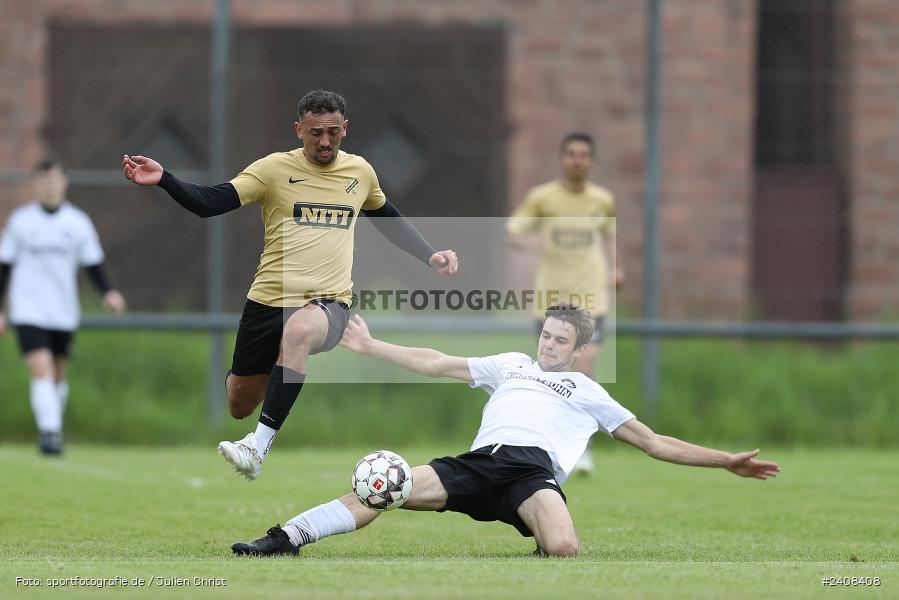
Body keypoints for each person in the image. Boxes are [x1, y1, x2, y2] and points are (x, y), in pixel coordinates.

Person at [231, 304, 780, 558]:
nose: (547, 347)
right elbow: (437, 361)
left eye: (560, 342)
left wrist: (725, 460)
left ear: (581, 351)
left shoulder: (591, 393)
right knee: (385, 485)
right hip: (481, 462)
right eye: (545, 336)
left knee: (564, 550)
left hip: (531, 473)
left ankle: (537, 534)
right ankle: (284, 539)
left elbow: (655, 442)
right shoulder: (511, 364)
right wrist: (372, 346)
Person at [122, 89, 458, 481]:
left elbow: (387, 216)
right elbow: (211, 203)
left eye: (333, 132)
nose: (324, 141)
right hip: (267, 302)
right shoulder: (273, 170)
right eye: (315, 132)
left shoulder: (360, 173)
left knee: (299, 331)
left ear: (345, 128)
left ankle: (257, 447)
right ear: (298, 129)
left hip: (328, 303)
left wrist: (429, 254)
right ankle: (276, 382)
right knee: (239, 403)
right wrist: (166, 179)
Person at [506, 132, 623, 475]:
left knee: (586, 370)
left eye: (584, 154)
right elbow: (514, 231)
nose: (577, 160)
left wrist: (616, 267)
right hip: (551, 303)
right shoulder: (542, 198)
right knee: (551, 374)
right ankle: (549, 445)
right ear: (562, 159)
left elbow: (609, 234)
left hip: (591, 300)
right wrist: (532, 242)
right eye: (571, 154)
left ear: (591, 161)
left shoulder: (602, 200)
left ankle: (582, 450)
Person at [0, 159, 127, 455]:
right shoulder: (21, 222)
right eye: (43, 180)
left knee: (57, 375)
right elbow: (4, 268)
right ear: (35, 185)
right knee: (41, 369)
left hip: (63, 312)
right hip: (28, 310)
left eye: (54, 179)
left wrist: (108, 292)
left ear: (64, 183)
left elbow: (93, 264)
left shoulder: (78, 223)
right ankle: (51, 433)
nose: (49, 185)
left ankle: (51, 426)